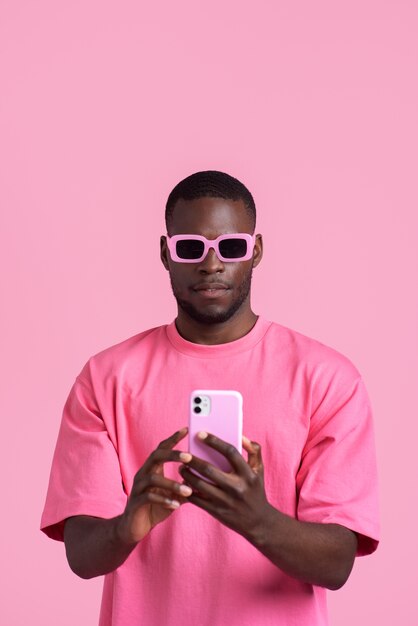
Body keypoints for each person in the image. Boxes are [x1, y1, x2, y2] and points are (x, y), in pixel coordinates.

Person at [41, 170, 379, 626]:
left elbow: (337, 563)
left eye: (231, 247)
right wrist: (129, 523)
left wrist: (257, 518)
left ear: (255, 252)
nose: (211, 264)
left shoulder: (328, 379)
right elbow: (82, 555)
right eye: (190, 248)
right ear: (166, 253)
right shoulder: (105, 378)